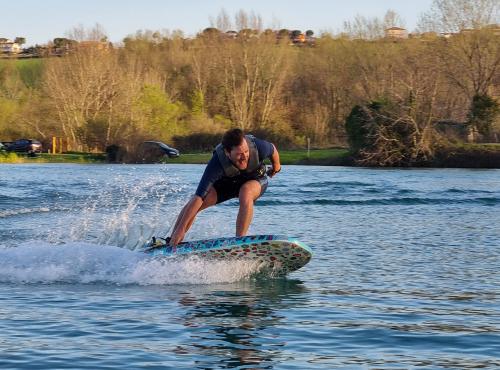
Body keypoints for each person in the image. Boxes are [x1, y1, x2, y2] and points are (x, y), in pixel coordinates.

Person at [168, 128, 281, 246]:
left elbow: (273, 149)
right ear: (227, 152)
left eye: (246, 152)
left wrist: (276, 167)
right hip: (228, 184)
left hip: (255, 181)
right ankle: (173, 239)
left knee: (246, 191)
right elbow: (198, 197)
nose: (244, 157)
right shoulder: (217, 162)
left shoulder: (258, 146)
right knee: (200, 202)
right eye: (239, 154)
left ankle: (239, 241)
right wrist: (180, 229)